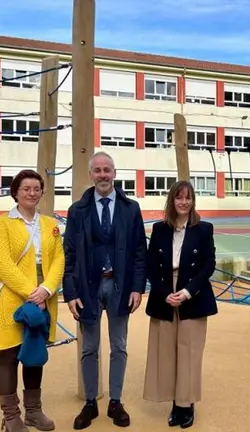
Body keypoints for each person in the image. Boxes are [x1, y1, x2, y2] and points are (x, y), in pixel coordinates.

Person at [61, 151, 147, 429]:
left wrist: (137, 287)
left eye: (107, 170)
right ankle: (90, 402)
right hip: (87, 287)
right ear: (90, 174)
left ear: (114, 173)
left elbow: (138, 252)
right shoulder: (77, 211)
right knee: (89, 348)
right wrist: (70, 293)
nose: (102, 175)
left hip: (120, 286)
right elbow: (70, 254)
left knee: (119, 346)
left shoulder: (130, 208)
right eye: (97, 170)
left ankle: (115, 401)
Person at [0, 169, 65, 432]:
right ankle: (11, 416)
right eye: (26, 188)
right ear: (16, 192)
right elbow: (3, 264)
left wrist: (47, 289)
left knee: (34, 352)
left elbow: (58, 260)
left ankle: (33, 411)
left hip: (45, 295)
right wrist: (32, 292)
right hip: (13, 297)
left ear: (42, 192)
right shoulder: (3, 224)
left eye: (36, 188)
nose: (32, 193)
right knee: (9, 354)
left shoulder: (49, 224)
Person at [142, 180, 218, 429]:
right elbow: (151, 264)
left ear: (193, 201)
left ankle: (186, 404)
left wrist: (186, 292)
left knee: (189, 351)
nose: (184, 202)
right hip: (165, 294)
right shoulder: (160, 229)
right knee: (166, 350)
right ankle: (174, 401)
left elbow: (208, 264)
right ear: (172, 201)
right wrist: (165, 292)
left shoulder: (204, 229)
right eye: (179, 197)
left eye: (188, 197)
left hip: (192, 294)